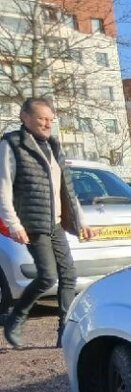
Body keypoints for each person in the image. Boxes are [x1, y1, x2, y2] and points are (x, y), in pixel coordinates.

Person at [0, 97, 93, 349]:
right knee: (47, 276)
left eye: (50, 119)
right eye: (41, 118)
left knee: (69, 275)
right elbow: (3, 188)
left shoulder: (53, 145)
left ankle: (64, 331)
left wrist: (80, 220)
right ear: (25, 117)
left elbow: (67, 189)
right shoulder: (12, 145)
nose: (47, 123)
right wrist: (14, 224)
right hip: (32, 221)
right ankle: (16, 318)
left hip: (55, 223)